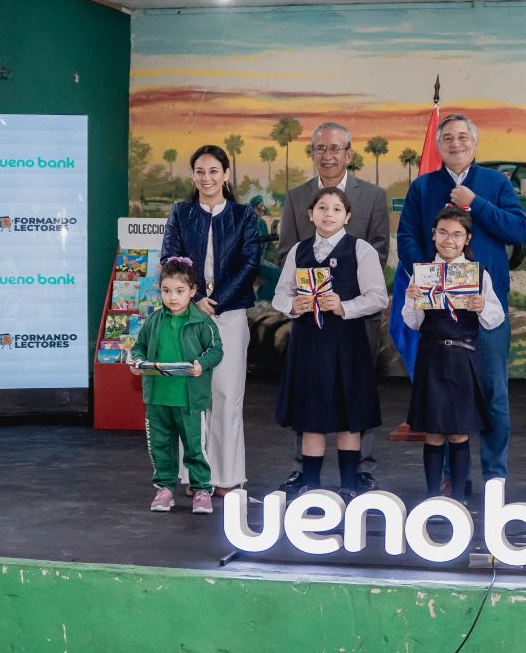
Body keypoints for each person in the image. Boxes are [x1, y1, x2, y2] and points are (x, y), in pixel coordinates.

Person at [397, 113, 526, 486]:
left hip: (483, 309)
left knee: (492, 393)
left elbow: (519, 229)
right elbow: (406, 236)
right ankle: (453, 479)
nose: (455, 143)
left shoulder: (495, 183)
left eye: (462, 137)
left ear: (475, 142)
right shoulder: (423, 187)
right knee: (444, 398)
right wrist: (425, 274)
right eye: (448, 138)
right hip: (439, 313)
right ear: (438, 146)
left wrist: (477, 203)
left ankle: (494, 476)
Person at [277, 121, 390, 491]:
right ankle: (305, 475)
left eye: (335, 148)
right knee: (310, 405)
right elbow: (286, 257)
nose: (327, 155)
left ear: (348, 153)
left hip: (352, 324)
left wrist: (346, 297)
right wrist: (300, 299)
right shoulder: (296, 198)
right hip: (310, 330)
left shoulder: (372, 197)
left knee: (352, 403)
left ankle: (357, 474)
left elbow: (379, 255)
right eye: (320, 148)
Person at [161, 145, 259, 495]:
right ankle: (196, 477)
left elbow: (250, 262)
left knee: (227, 394)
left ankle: (227, 478)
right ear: (193, 176)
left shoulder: (244, 215)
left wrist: (218, 301)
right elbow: (170, 259)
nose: (207, 178)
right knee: (193, 396)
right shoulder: (180, 212)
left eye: (214, 171)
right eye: (200, 171)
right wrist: (196, 298)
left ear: (226, 174)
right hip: (189, 316)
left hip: (230, 315)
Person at [402, 208, 504, 500]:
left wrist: (481, 306)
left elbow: (495, 319)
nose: (449, 240)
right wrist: (412, 301)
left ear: (467, 238)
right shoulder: (422, 273)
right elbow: (412, 322)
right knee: (433, 431)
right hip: (432, 357)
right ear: (433, 235)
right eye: (443, 233)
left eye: (457, 234)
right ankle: (432, 497)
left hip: (462, 358)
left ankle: (458, 497)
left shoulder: (478, 274)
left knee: (459, 431)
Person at [129, 257, 224, 514]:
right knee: (160, 446)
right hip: (157, 399)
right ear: (159, 290)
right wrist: (136, 361)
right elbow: (139, 347)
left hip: (190, 400)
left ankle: (202, 489)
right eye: (166, 290)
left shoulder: (202, 322)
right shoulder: (153, 320)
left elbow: (216, 351)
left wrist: (201, 364)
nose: (172, 297)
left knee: (195, 447)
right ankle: (165, 489)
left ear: (193, 291)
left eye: (180, 291)